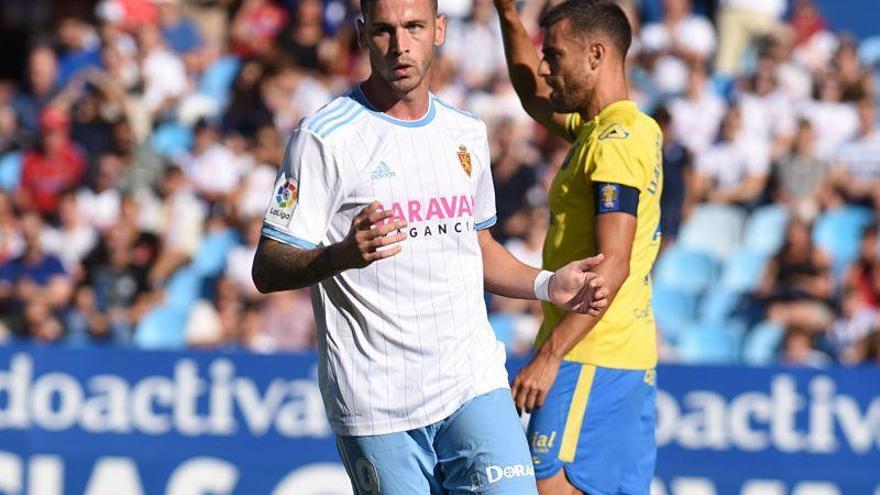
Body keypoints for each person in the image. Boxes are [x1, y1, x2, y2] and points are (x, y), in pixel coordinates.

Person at [250, 0, 610, 493]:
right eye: (383, 30)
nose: (400, 45)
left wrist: (547, 284)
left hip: (471, 381)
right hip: (377, 401)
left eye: (414, 27)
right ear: (361, 35)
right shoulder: (323, 139)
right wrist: (341, 255)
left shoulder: (466, 132)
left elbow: (475, 247)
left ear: (439, 29)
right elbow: (267, 269)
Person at [493, 0, 663, 494]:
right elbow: (532, 94)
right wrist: (508, 15)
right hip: (619, 355)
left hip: (590, 355)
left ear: (595, 55)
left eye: (556, 56)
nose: (546, 67)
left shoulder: (614, 143)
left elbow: (613, 267)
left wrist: (549, 355)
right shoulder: (622, 129)